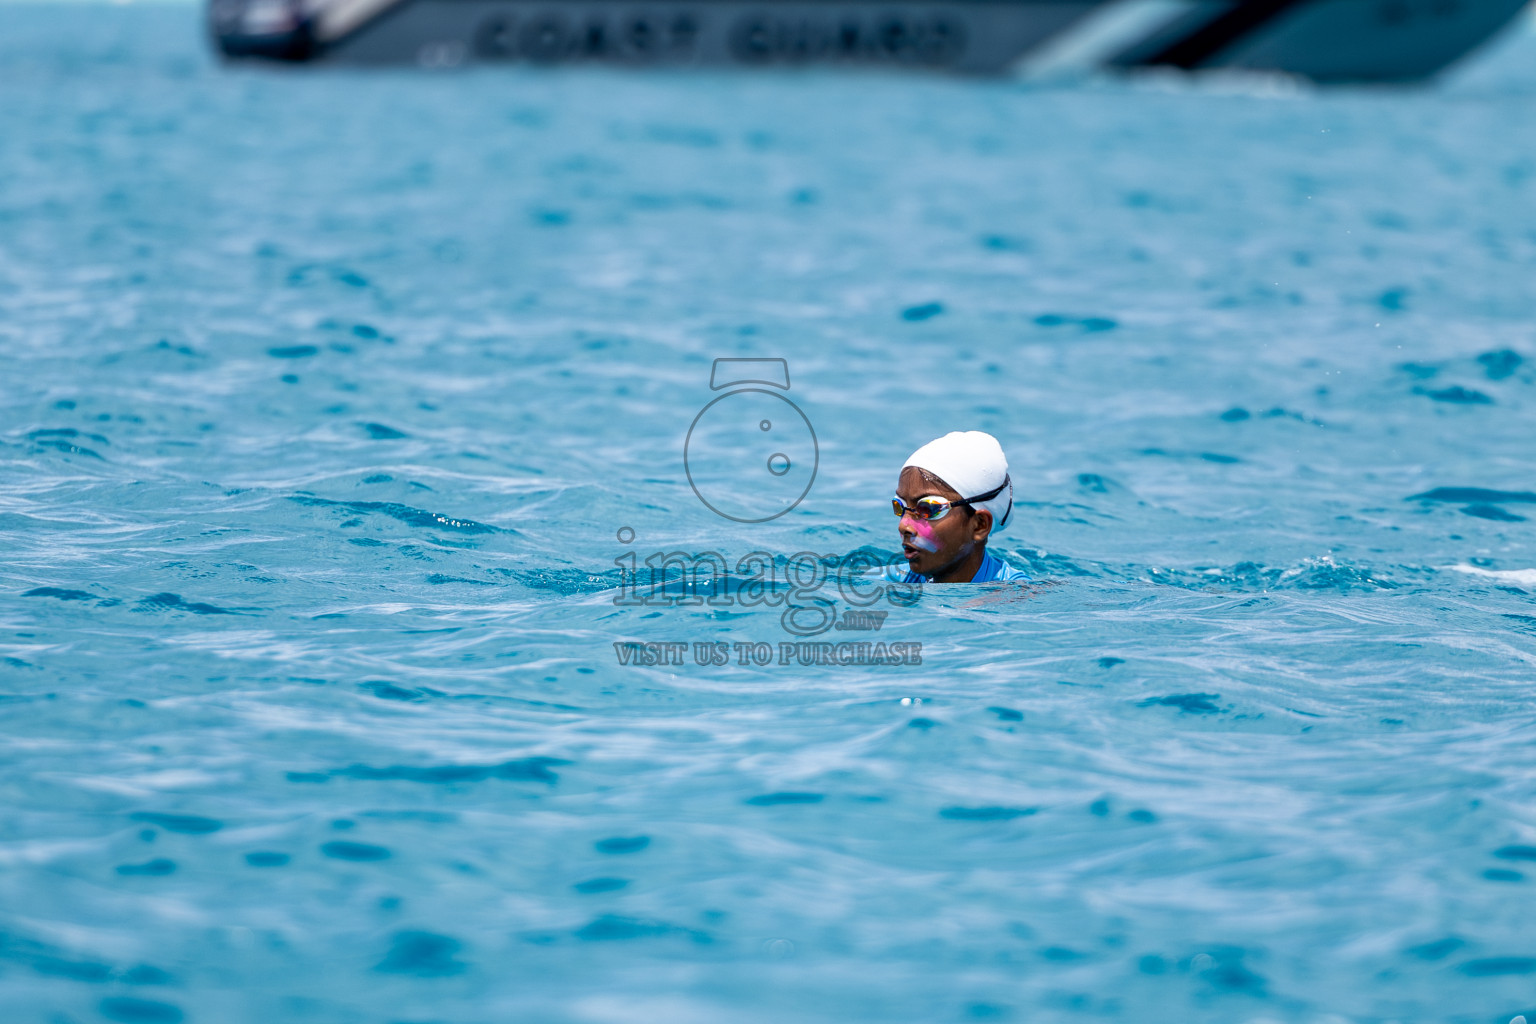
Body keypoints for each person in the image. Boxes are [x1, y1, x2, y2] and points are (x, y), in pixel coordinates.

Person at [885, 431, 1029, 584]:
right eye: (900, 506)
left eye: (928, 508)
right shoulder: (890, 580)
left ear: (979, 525)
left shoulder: (1016, 596)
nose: (904, 525)